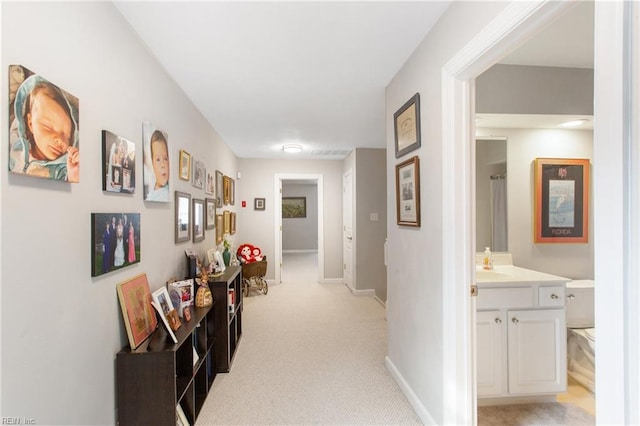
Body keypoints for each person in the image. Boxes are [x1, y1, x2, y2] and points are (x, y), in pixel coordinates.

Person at [9, 72, 79, 182]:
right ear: (30, 123)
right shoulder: (16, 145)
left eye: (66, 136)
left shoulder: (62, 169)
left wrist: (73, 176)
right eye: (48, 127)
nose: (59, 139)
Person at [145, 130, 169, 201]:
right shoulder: (151, 195)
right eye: (158, 160)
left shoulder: (168, 192)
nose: (163, 165)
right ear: (153, 163)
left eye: (165, 158)